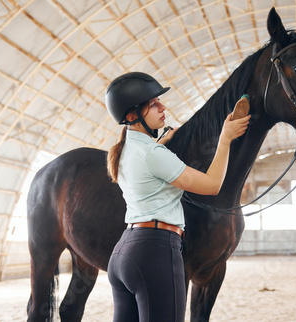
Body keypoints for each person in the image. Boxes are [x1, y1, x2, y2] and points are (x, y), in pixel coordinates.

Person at [105, 71, 251, 322]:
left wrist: (161, 144)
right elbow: (213, 185)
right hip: (155, 253)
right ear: (132, 115)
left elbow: (148, 163)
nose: (162, 106)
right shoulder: (153, 154)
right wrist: (225, 139)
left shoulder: (126, 149)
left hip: (123, 255)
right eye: (153, 104)